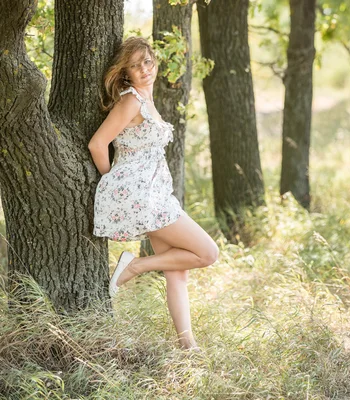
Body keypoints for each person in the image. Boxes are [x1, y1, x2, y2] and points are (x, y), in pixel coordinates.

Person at [88, 37, 219, 350]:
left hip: (156, 194)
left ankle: (188, 347)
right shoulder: (130, 100)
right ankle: (135, 266)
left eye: (147, 62)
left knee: (178, 273)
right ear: (126, 72)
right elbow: (97, 144)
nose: (144, 69)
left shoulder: (146, 99)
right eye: (135, 65)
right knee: (208, 253)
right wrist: (113, 180)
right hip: (143, 196)